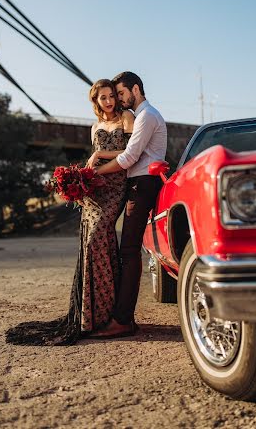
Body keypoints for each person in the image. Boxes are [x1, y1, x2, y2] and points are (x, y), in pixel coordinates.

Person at [5, 79, 134, 345]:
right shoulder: (94, 126)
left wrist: (99, 153)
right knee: (90, 243)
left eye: (111, 96)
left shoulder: (127, 118)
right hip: (95, 190)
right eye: (103, 98)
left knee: (99, 236)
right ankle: (93, 315)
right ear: (95, 101)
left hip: (115, 187)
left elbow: (133, 152)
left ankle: (111, 312)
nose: (109, 101)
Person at [89, 71, 167, 339]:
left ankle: (123, 320)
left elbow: (129, 157)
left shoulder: (146, 116)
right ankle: (116, 315)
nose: (119, 99)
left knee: (129, 251)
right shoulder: (146, 115)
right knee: (125, 250)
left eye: (120, 93)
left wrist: (94, 173)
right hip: (138, 184)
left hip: (143, 184)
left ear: (135, 89)